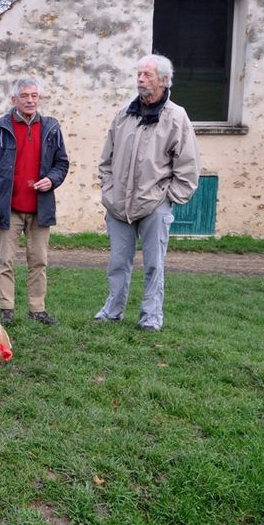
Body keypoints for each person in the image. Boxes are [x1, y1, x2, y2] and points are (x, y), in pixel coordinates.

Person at [95, 54, 201, 331]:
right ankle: (112, 311)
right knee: (118, 263)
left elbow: (188, 167)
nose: (140, 80)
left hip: (154, 204)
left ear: (164, 81)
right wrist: (109, 191)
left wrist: (167, 199)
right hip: (118, 205)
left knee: (154, 265)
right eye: (139, 74)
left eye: (147, 75)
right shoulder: (123, 115)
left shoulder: (176, 117)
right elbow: (106, 161)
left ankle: (150, 317)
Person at [0, 78, 70, 327]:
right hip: (9, 208)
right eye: (25, 96)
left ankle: (37, 309)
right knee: (5, 261)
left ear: (38, 98)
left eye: (34, 96)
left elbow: (62, 164)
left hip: (40, 208)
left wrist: (51, 180)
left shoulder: (51, 128)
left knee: (38, 261)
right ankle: (6, 308)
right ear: (14, 100)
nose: (30, 100)